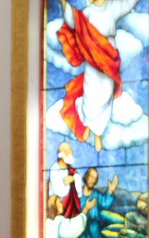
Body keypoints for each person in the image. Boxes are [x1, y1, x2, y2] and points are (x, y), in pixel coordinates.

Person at [57, 0, 139, 152]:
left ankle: (98, 133)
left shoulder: (113, 8)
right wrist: (64, 4)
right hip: (92, 59)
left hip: (108, 60)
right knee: (91, 94)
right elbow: (75, 20)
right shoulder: (88, 12)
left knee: (105, 96)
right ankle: (88, 124)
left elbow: (128, 4)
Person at [46, 142, 95, 238]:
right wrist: (65, 183)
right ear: (61, 154)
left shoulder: (71, 171)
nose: (70, 154)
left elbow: (78, 190)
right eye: (68, 151)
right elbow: (58, 191)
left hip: (70, 211)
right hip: (61, 211)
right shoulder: (54, 169)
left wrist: (73, 179)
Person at [76, 167, 117, 238]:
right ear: (86, 177)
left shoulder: (96, 194)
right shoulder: (78, 194)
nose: (92, 180)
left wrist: (110, 191)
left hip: (94, 227)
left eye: (95, 178)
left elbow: (105, 203)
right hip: (82, 229)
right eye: (91, 177)